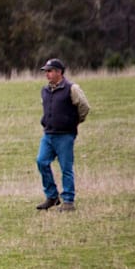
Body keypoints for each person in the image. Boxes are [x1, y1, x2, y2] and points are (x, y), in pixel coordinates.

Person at [36, 58, 90, 211]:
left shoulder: (72, 88)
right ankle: (52, 196)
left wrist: (73, 122)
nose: (47, 74)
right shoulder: (45, 91)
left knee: (66, 167)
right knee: (41, 162)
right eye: (46, 71)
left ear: (59, 72)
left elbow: (84, 107)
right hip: (48, 134)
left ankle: (68, 201)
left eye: (50, 71)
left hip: (65, 135)